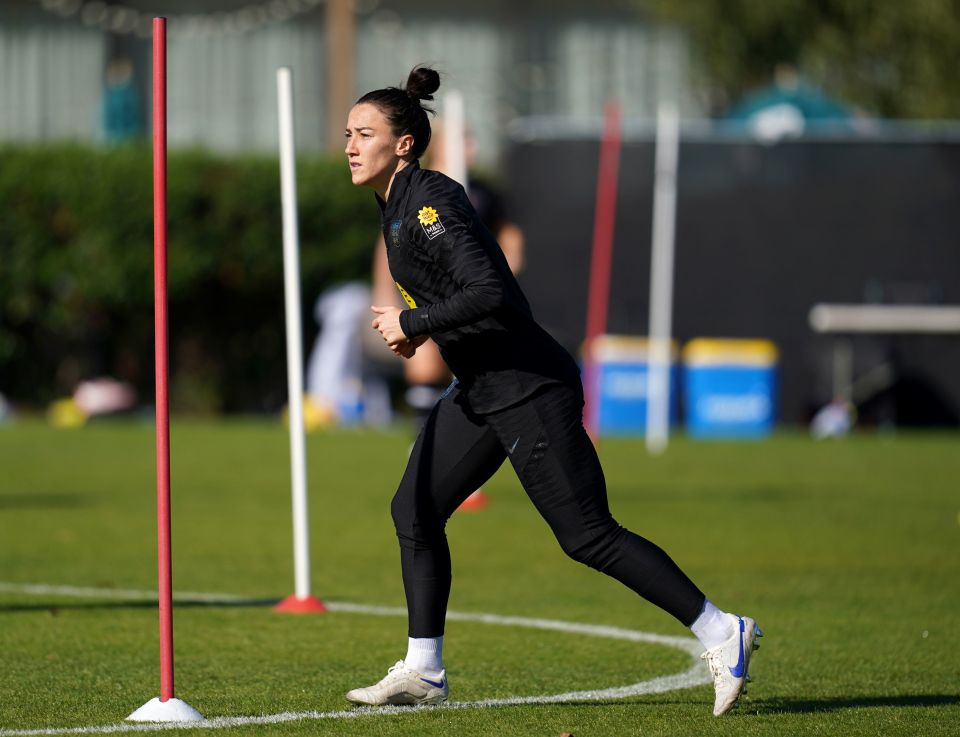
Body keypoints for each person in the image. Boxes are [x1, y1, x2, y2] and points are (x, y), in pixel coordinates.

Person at [342, 66, 762, 717]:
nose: (349, 144)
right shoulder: (395, 209)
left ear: (403, 144)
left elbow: (490, 291)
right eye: (347, 132)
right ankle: (424, 667)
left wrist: (414, 322)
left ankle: (720, 628)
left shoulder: (427, 203)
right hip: (482, 389)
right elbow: (462, 302)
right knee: (416, 510)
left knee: (587, 535)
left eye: (364, 132)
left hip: (529, 387)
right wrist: (417, 332)